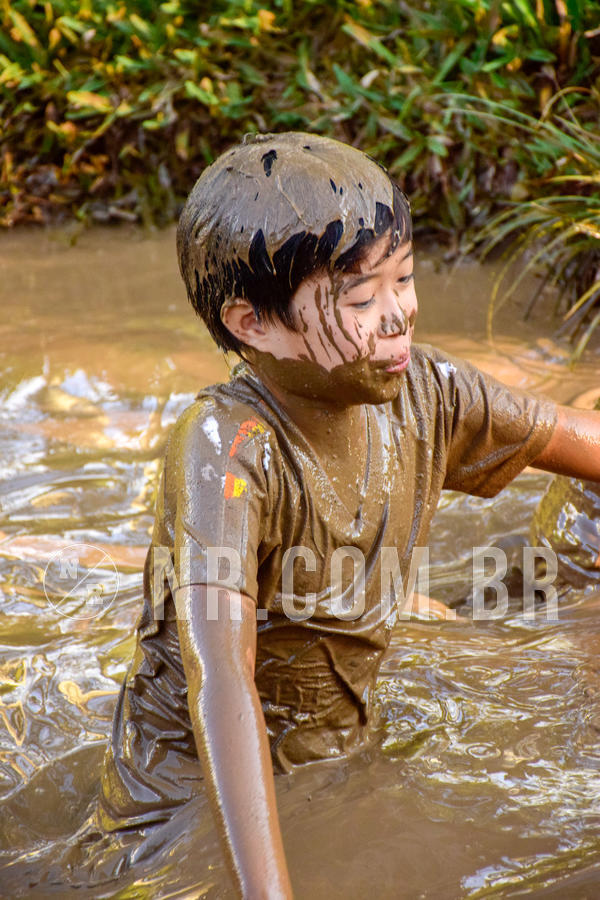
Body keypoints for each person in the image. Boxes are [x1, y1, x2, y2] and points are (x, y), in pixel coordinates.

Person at [96, 132, 600, 898]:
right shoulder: (227, 449)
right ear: (251, 324)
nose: (398, 315)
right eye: (361, 300)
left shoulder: (427, 394)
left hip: (340, 753)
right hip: (189, 804)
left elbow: (577, 439)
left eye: (403, 279)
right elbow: (221, 680)